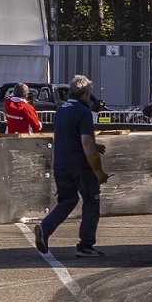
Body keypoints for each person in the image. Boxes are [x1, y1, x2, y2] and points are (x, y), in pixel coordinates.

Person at [31, 75, 105, 257]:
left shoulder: (61, 110)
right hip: (80, 165)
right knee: (91, 200)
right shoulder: (83, 112)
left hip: (61, 163)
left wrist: (93, 145)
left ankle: (45, 228)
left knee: (68, 200)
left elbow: (70, 136)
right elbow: (85, 141)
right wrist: (98, 170)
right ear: (85, 94)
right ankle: (86, 245)